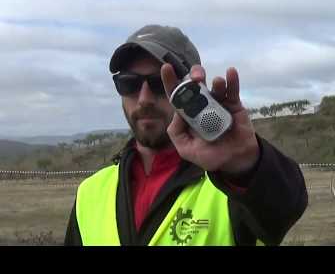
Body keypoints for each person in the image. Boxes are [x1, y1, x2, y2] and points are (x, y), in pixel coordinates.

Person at [64, 25, 308, 246]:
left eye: (160, 82)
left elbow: (285, 208)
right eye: (129, 83)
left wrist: (247, 164)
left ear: (192, 88)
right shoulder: (90, 192)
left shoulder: (231, 183)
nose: (144, 98)